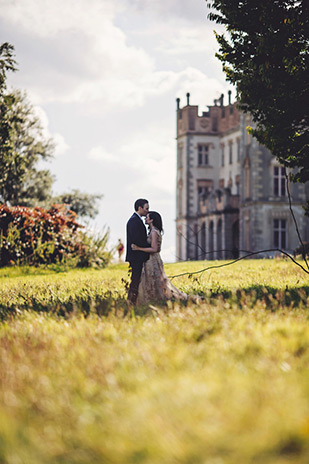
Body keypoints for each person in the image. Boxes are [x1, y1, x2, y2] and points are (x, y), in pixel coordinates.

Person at [132, 211, 188, 305]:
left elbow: (154, 249)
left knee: (153, 278)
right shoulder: (154, 231)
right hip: (153, 258)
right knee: (154, 279)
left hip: (152, 259)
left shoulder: (154, 232)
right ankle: (154, 298)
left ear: (151, 220)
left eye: (147, 217)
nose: (145, 218)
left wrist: (138, 248)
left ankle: (154, 299)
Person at [126, 199, 150, 304]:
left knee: (137, 279)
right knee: (135, 279)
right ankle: (131, 301)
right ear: (140, 208)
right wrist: (151, 246)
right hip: (136, 256)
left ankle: (134, 300)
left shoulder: (136, 220)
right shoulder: (133, 221)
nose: (147, 211)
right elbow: (137, 240)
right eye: (146, 208)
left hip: (138, 255)